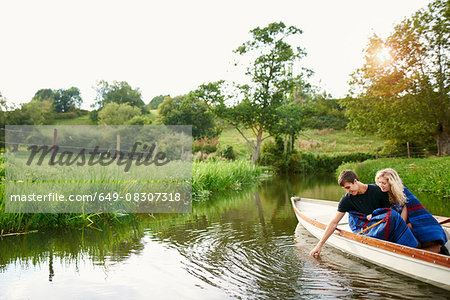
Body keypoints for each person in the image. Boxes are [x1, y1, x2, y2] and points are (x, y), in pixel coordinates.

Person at [310, 170, 392, 256]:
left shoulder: (378, 190)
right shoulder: (347, 199)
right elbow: (334, 223)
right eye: (345, 189)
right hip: (362, 227)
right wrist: (319, 245)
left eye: (348, 187)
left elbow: (388, 212)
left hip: (379, 223)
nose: (347, 191)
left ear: (355, 181)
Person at [375, 168, 448, 254]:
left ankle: (425, 248)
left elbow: (408, 207)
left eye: (384, 183)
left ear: (391, 183)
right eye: (379, 183)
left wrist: (400, 224)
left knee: (409, 227)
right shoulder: (382, 193)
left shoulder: (402, 191)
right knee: (401, 229)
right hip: (395, 220)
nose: (381, 185)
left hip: (411, 219)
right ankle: (417, 248)